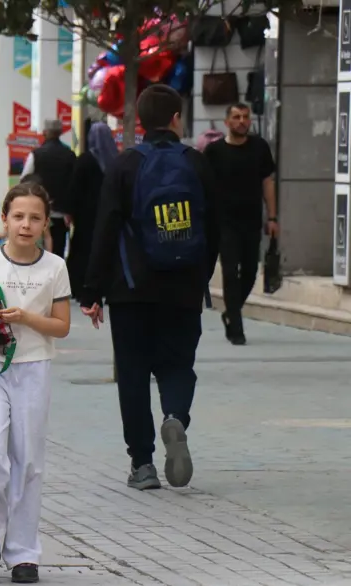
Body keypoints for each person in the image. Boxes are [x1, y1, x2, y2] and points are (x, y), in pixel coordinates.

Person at [79, 84, 220, 491]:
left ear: (138, 121)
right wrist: (200, 276)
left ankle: (142, 464)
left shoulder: (124, 165)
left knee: (134, 375)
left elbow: (103, 230)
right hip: (183, 289)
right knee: (178, 364)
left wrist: (92, 291)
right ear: (177, 118)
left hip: (130, 290)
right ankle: (174, 416)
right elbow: (214, 230)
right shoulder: (197, 163)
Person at [0, 182, 71, 584]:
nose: (25, 225)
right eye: (18, 216)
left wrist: (24, 318)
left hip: (34, 367)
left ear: (44, 223)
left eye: (35, 218)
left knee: (29, 462)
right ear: (4, 219)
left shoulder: (55, 267)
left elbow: (61, 326)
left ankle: (23, 553)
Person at [204, 103, 277, 345]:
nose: (242, 121)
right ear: (227, 122)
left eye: (245, 117)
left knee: (250, 272)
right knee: (229, 271)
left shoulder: (259, 148)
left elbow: (268, 183)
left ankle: (230, 311)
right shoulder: (214, 152)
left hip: (251, 221)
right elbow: (204, 187)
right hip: (224, 223)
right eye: (236, 117)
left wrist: (273, 217)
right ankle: (236, 326)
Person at [65, 121, 118, 296]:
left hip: (85, 215)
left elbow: (74, 189)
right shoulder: (116, 161)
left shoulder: (85, 160)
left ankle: (81, 286)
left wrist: (70, 211)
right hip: (108, 213)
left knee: (82, 249)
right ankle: (105, 284)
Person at [20, 120, 77, 257]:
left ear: (44, 133)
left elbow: (24, 180)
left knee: (36, 253)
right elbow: (75, 184)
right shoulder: (70, 155)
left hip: (38, 213)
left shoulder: (36, 154)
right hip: (62, 215)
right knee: (57, 253)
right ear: (60, 133)